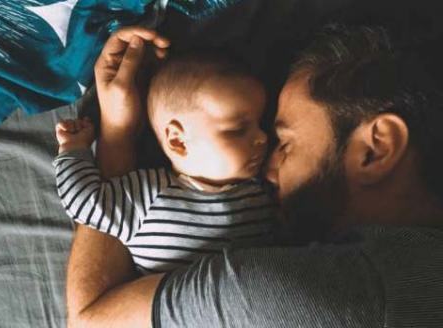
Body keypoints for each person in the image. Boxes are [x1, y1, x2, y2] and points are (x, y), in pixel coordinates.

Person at [65, 23, 443, 327]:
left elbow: (90, 321)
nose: (265, 163)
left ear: (375, 148)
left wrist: (118, 133)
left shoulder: (309, 295)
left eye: (285, 143)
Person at [54, 51, 278, 274]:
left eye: (260, 123)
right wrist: (74, 148)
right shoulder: (147, 197)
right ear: (178, 141)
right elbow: (85, 201)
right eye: (238, 130)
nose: (263, 137)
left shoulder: (265, 189)